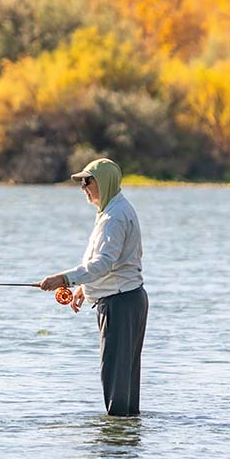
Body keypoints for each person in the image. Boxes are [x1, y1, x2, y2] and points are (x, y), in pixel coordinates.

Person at [39, 157, 148, 417]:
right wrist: (83, 289)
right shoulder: (112, 211)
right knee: (123, 382)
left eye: (87, 181)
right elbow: (108, 263)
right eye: (81, 182)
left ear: (104, 182)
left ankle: (114, 450)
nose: (83, 187)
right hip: (126, 299)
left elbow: (104, 263)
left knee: (115, 379)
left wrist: (63, 279)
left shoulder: (114, 217)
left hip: (120, 303)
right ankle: (124, 447)